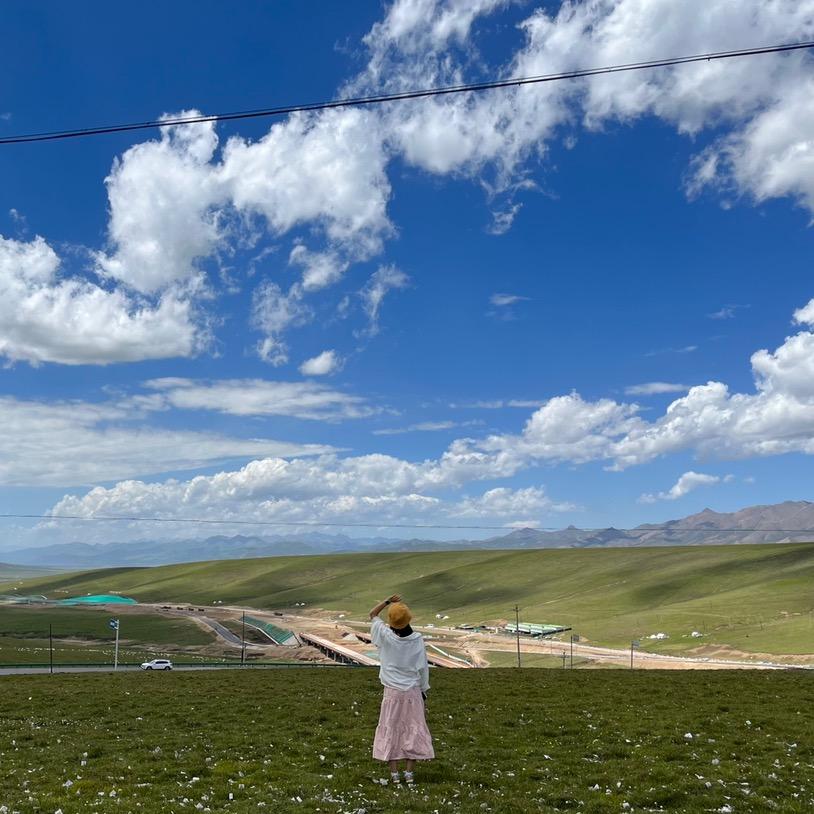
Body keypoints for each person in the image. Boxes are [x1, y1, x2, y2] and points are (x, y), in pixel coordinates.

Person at [368, 594, 434, 786]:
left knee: (391, 728)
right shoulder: (417, 640)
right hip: (413, 691)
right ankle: (409, 773)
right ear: (409, 620)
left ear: (391, 621)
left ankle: (394, 774)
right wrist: (423, 689)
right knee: (413, 728)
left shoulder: (385, 636)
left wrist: (388, 602)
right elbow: (422, 667)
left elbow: (372, 614)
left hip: (392, 693)